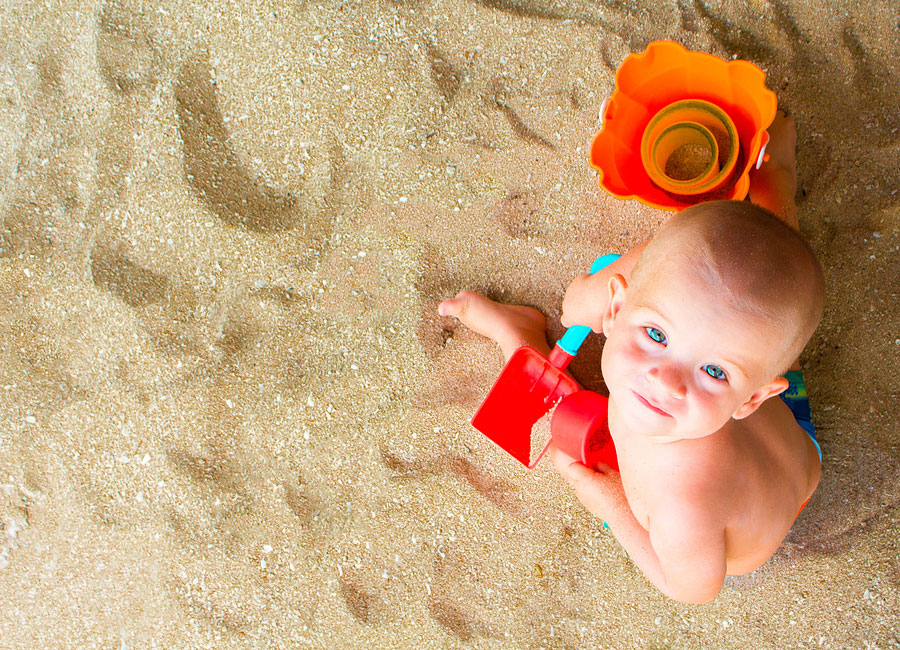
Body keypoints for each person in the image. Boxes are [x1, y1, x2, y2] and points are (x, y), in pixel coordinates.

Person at [437, 114, 825, 603]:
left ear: (750, 399)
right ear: (616, 310)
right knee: (755, 280)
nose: (665, 380)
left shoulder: (684, 506)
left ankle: (521, 334)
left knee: (570, 417)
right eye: (657, 334)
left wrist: (607, 499)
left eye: (711, 370)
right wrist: (717, 376)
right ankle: (775, 181)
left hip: (738, 500)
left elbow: (690, 589)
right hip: (790, 432)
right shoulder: (716, 386)